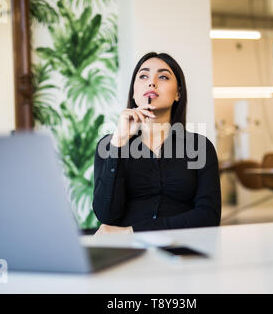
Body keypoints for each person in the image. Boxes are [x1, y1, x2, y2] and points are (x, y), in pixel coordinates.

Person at [92, 52, 221, 234]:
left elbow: (209, 216)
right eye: (143, 76)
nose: (151, 82)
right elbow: (106, 215)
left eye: (163, 77)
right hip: (130, 253)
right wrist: (118, 145)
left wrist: (133, 231)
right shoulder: (109, 146)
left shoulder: (200, 146)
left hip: (184, 248)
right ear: (134, 93)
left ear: (178, 93)